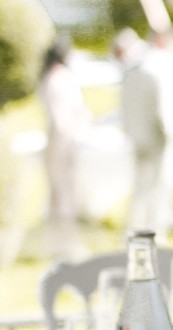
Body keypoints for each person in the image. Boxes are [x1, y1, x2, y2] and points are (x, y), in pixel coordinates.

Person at [118, 27, 173, 235]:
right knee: (159, 187)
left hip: (137, 135)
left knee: (141, 187)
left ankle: (134, 231)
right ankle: (155, 233)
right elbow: (165, 106)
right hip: (158, 138)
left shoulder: (134, 66)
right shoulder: (161, 65)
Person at [38, 37, 89, 259]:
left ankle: (60, 242)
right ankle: (65, 244)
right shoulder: (58, 78)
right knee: (63, 193)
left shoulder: (52, 76)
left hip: (61, 138)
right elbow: (62, 116)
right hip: (62, 140)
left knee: (60, 194)